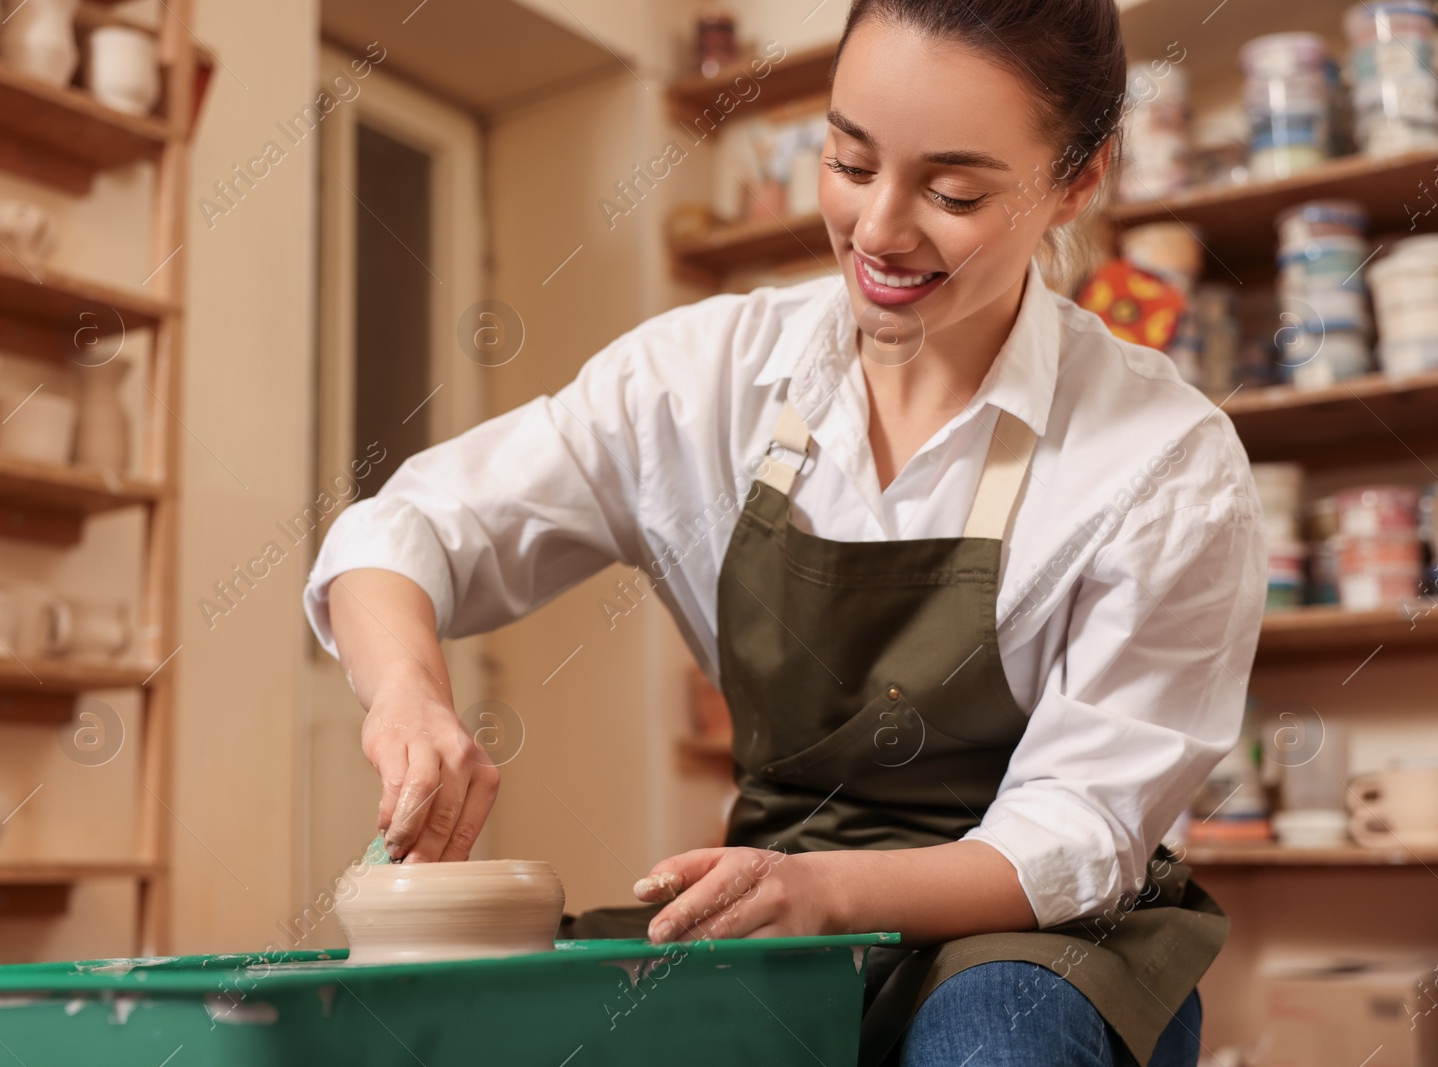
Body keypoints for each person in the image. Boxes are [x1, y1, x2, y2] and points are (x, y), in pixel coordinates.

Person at [302, 0, 1266, 1063]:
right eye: (849, 162)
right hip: (782, 896)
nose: (880, 230)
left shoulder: (1164, 459)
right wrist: (406, 693)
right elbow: (406, 530)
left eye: (952, 191)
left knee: (993, 1041)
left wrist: (829, 887)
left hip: (1038, 937)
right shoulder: (705, 377)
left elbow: (1077, 832)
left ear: (1078, 181)